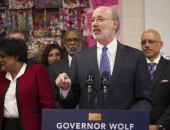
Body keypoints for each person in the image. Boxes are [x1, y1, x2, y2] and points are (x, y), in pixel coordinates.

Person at [55, 6, 153, 111]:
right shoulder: (79, 59)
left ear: (114, 24)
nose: (94, 23)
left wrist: (126, 119)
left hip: (123, 125)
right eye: (92, 20)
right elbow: (70, 103)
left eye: (100, 19)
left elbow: (144, 100)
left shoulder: (135, 57)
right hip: (90, 124)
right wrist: (65, 89)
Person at [0, 38, 55, 130]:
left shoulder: (37, 71)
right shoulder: (1, 76)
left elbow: (48, 105)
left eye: (2, 56)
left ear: (16, 56)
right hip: (7, 125)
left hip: (30, 125)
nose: (0, 60)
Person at [141, 29, 170, 130]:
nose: (147, 45)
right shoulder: (134, 70)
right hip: (140, 125)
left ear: (161, 44)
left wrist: (160, 125)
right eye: (143, 42)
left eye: (151, 41)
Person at [48, 29, 83, 108]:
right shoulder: (54, 68)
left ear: (81, 42)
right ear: (64, 44)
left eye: (76, 40)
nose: (72, 43)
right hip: (63, 116)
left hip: (88, 115)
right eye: (69, 40)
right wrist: (64, 114)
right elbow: (51, 97)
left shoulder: (90, 63)